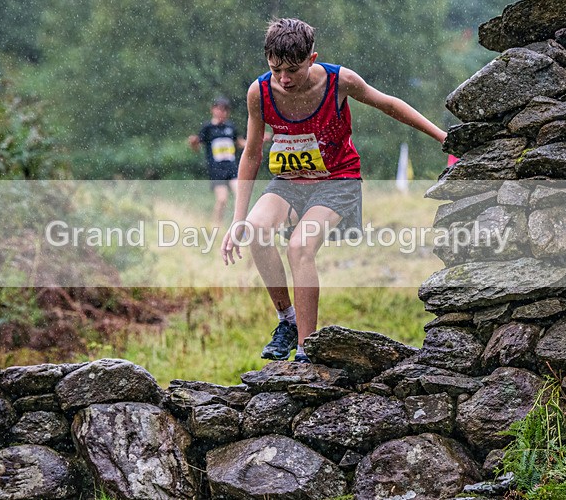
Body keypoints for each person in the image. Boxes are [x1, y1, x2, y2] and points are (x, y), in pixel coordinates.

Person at [221, 18, 447, 363]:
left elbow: (389, 104)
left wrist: (443, 138)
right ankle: (287, 321)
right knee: (255, 230)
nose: (284, 79)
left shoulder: (340, 81)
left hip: (337, 180)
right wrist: (237, 219)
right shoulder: (260, 92)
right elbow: (251, 154)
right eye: (275, 68)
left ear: (312, 59)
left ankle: (305, 349)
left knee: (299, 247)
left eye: (293, 70)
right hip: (289, 181)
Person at [188, 97, 246, 225]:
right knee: (222, 199)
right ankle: (216, 226)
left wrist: (256, 143)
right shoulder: (207, 128)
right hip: (216, 170)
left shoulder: (230, 127)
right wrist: (193, 143)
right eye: (219, 109)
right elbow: (197, 146)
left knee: (240, 196)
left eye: (225, 110)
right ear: (213, 110)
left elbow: (240, 142)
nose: (222, 113)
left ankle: (240, 226)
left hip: (232, 168)